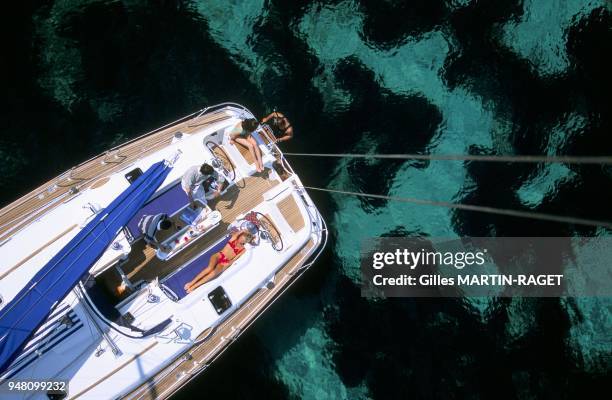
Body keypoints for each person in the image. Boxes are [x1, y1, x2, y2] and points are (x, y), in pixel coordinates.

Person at [184, 229, 253, 293]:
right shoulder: (234, 238)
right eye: (240, 237)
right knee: (209, 268)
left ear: (245, 242)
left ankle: (194, 286)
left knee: (213, 273)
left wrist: (228, 264)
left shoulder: (243, 250)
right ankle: (191, 283)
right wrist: (247, 233)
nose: (239, 240)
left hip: (225, 262)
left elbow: (235, 259)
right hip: (219, 255)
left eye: (242, 240)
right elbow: (241, 231)